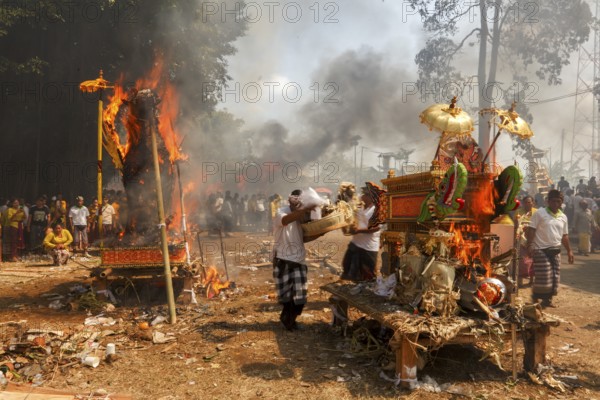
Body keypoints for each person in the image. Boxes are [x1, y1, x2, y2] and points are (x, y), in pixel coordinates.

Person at [272, 189, 314, 331]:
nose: (298, 204)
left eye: (301, 202)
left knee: (300, 298)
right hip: (282, 259)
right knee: (286, 297)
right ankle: (288, 321)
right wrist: (303, 210)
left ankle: (289, 319)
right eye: (296, 201)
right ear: (290, 200)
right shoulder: (281, 212)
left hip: (298, 259)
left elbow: (305, 236)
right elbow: (286, 220)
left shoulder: (302, 216)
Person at [526, 190, 574, 308]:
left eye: (558, 201)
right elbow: (531, 229)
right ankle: (535, 297)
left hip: (555, 249)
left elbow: (565, 235)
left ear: (562, 202)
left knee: (555, 276)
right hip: (540, 248)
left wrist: (569, 251)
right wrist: (530, 245)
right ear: (548, 201)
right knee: (544, 275)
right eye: (553, 201)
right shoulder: (540, 213)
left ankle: (548, 300)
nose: (556, 203)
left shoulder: (563, 217)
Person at [341, 185, 383, 281]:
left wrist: (359, 230)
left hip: (369, 246)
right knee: (347, 266)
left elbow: (376, 228)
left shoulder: (376, 210)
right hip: (356, 243)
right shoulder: (359, 207)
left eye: (364, 194)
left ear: (371, 197)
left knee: (368, 274)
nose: (362, 196)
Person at [515, 195, 537, 286]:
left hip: (534, 240)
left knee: (533, 261)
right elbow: (516, 225)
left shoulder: (537, 213)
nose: (528, 204)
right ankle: (520, 281)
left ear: (533, 203)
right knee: (521, 261)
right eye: (526, 202)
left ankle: (532, 280)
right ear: (523, 203)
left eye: (529, 202)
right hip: (521, 240)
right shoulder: (518, 212)